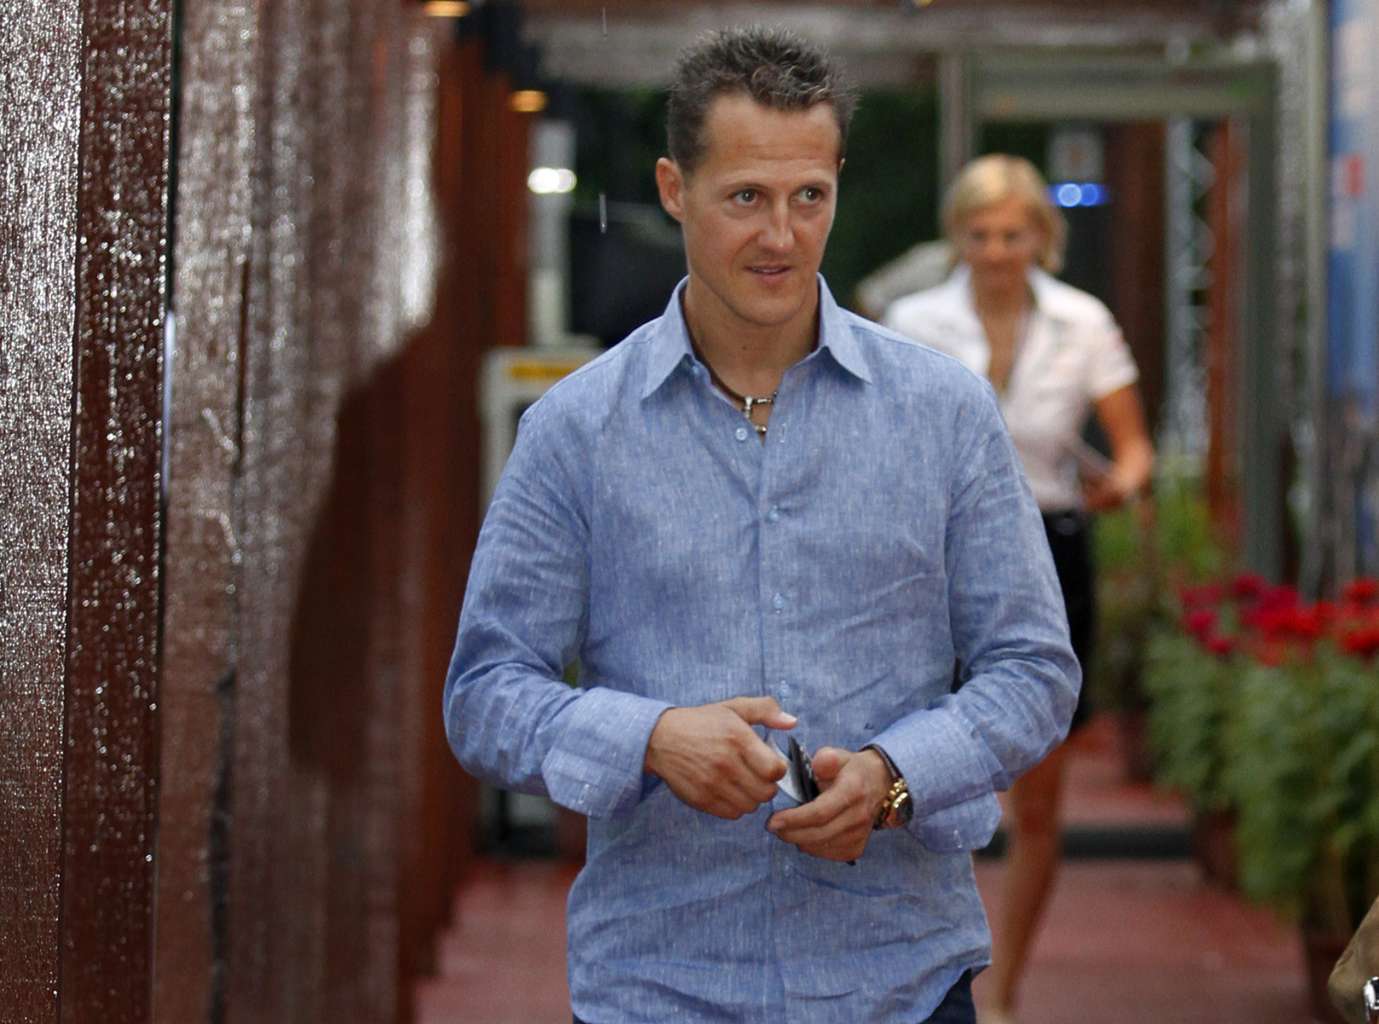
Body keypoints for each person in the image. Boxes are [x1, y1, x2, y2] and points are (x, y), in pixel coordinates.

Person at [444, 29, 1079, 1024]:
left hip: (898, 981)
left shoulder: (945, 414)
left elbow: (1033, 669)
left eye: (807, 196)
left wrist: (896, 780)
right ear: (673, 188)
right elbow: (484, 694)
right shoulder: (575, 430)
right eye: (745, 197)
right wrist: (650, 738)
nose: (780, 235)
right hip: (657, 987)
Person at [884, 154, 1155, 1024]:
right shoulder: (911, 322)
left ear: (1042, 236)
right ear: (955, 237)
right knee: (922, 772)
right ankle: (933, 975)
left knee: (1037, 790)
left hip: (1048, 545)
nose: (997, 251)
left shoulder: (1083, 320)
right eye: (980, 234)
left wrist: (1124, 481)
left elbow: (1132, 446)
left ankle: (1002, 992)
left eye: (1012, 234)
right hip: (931, 555)